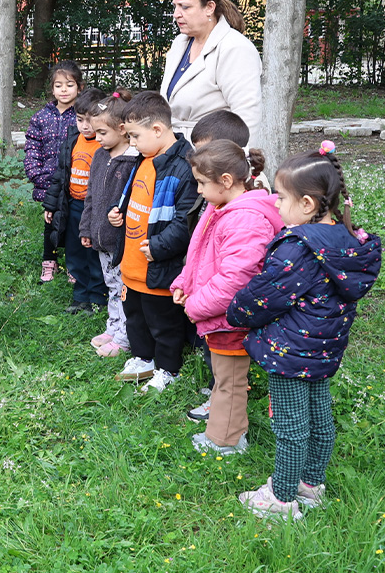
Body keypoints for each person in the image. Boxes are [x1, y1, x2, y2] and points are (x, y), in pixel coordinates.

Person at [228, 141, 381, 520]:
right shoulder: (346, 240)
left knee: (291, 427)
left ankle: (281, 500)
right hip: (324, 348)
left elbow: (266, 295)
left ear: (308, 204)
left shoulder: (299, 247)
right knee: (319, 419)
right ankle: (310, 486)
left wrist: (235, 312)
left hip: (290, 351)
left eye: (281, 198)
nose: (276, 204)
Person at [170, 140, 281, 456]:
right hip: (219, 314)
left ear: (227, 181)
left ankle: (227, 441)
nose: (199, 190)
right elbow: (199, 255)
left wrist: (195, 305)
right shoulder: (220, 208)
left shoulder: (245, 219)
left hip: (231, 319)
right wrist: (184, 283)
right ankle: (224, 431)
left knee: (230, 381)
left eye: (202, 183)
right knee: (223, 378)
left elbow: (235, 280)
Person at [108, 92, 196, 392]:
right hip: (132, 264)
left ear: (157, 129)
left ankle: (168, 369)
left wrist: (159, 246)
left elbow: (185, 221)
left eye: (135, 136)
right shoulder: (145, 157)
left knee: (163, 324)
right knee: (135, 316)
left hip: (158, 266)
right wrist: (119, 211)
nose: (131, 143)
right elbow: (136, 196)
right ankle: (143, 358)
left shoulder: (184, 166)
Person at [161, 0, 262, 140]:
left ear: (209, 7)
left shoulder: (235, 48)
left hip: (212, 151)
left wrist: (234, 156)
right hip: (175, 148)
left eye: (185, 7)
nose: (176, 14)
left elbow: (247, 118)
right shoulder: (179, 43)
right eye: (175, 6)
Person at [79, 89, 138, 358]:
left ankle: (125, 336)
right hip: (101, 238)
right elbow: (90, 195)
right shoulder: (100, 156)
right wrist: (86, 228)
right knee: (112, 285)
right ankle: (114, 327)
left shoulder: (134, 161)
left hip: (122, 241)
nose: (97, 137)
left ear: (122, 129)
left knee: (124, 288)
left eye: (102, 132)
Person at [41, 87, 108, 313]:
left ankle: (97, 299)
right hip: (73, 206)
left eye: (91, 121)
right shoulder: (72, 139)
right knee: (75, 251)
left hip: (96, 209)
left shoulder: (105, 144)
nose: (85, 126)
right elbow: (61, 174)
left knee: (94, 254)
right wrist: (51, 204)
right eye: (80, 120)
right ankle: (80, 296)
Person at [24, 60, 83, 282]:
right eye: (59, 85)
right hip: (49, 182)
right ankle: (49, 261)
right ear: (52, 88)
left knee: (72, 222)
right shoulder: (41, 117)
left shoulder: (82, 116)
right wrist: (36, 174)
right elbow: (32, 147)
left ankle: (73, 264)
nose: (64, 90)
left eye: (69, 85)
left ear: (79, 87)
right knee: (50, 221)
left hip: (75, 181)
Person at [190, 110, 270, 192]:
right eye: (197, 151)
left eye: (204, 152)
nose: (198, 157)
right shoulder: (209, 176)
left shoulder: (253, 182)